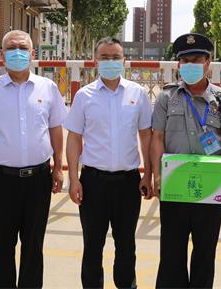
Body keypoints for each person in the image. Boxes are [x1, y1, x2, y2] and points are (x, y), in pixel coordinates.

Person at [0, 30, 67, 288]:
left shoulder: (48, 88)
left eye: (23, 48)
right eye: (11, 48)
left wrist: (58, 167)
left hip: (38, 179)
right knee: (2, 246)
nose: (17, 53)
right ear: (2, 55)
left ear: (32, 54)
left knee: (33, 246)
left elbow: (56, 129)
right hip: (2, 180)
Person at [151, 33, 221, 288]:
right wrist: (157, 175)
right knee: (171, 253)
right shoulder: (166, 97)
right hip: (174, 187)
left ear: (208, 62)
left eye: (196, 60)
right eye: (185, 60)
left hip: (211, 189)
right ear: (178, 64)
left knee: (205, 253)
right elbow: (157, 137)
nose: (190, 65)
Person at [64, 37, 153, 289]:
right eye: (105, 57)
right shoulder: (84, 96)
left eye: (115, 57)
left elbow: (146, 135)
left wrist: (149, 174)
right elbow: (74, 138)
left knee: (126, 244)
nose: (110, 61)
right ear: (95, 61)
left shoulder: (138, 93)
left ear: (124, 60)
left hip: (128, 182)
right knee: (93, 245)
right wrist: (74, 179)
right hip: (93, 182)